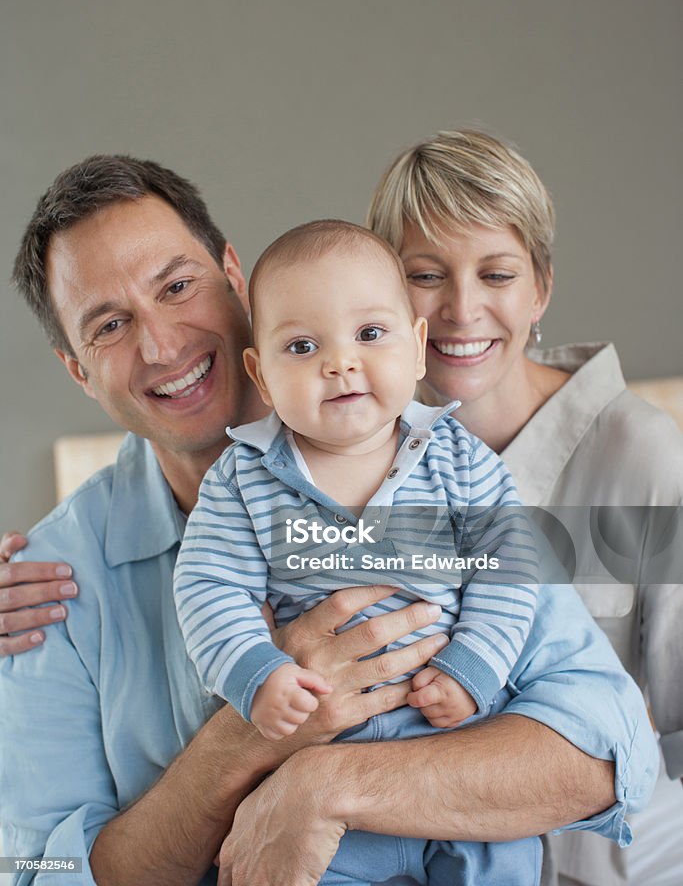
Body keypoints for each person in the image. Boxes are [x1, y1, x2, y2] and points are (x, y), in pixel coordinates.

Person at [0, 154, 658, 886]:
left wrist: (328, 788)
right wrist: (241, 743)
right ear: (77, 370)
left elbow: (609, 746)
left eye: (177, 287)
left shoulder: (429, 467)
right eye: (111, 325)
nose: (162, 345)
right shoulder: (40, 585)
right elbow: (33, 872)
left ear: (233, 276)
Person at [175, 219, 543, 883]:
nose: (338, 362)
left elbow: (510, 569)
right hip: (318, 781)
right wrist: (257, 671)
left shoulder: (459, 462)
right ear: (260, 370)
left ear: (416, 346)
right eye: (302, 345)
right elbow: (208, 586)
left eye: (370, 334)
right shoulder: (243, 479)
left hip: (452, 758)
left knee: (508, 858)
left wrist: (473, 666)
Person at [367, 128, 683, 886]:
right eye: (424, 274)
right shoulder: (358, 459)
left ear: (539, 286)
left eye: (496, 273)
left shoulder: (640, 457)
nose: (461, 308)